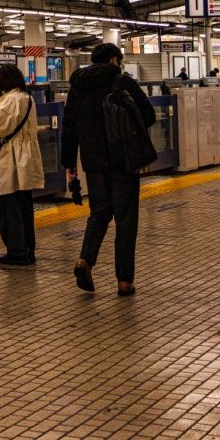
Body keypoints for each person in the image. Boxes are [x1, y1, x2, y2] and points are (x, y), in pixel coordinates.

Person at [62, 43, 156, 297]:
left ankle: (85, 261)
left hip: (92, 162)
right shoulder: (121, 81)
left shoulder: (77, 87)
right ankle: (124, 281)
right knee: (126, 220)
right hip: (122, 160)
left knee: (99, 214)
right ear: (114, 59)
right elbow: (148, 115)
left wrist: (69, 163)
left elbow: (68, 127)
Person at [0, 64, 43, 267]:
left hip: (11, 158)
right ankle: (29, 250)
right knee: (24, 207)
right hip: (26, 158)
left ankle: (17, 252)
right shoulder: (28, 98)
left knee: (6, 208)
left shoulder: (10, 100)